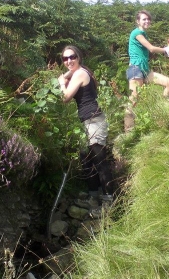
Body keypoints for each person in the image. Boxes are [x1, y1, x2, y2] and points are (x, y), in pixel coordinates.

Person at [58, 45, 114, 213]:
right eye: (65, 59)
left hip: (94, 120)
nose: (69, 61)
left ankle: (108, 202)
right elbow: (70, 74)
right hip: (89, 121)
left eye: (72, 57)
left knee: (100, 161)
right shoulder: (79, 72)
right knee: (86, 159)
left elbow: (65, 97)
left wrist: (62, 83)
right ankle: (93, 196)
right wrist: (67, 73)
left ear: (79, 57)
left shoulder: (81, 73)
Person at [125, 10, 169, 131]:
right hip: (135, 69)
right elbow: (151, 49)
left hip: (145, 69)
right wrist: (166, 50)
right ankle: (129, 131)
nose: (147, 21)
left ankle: (163, 112)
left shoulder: (143, 34)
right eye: (144, 19)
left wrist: (168, 49)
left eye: (148, 19)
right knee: (134, 99)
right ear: (138, 21)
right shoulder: (137, 33)